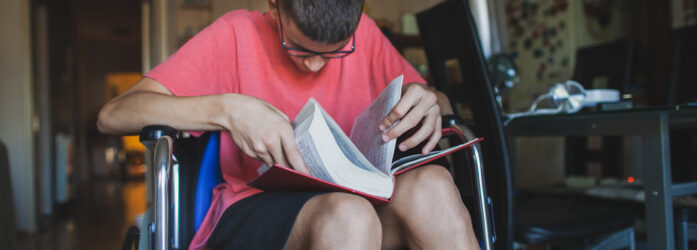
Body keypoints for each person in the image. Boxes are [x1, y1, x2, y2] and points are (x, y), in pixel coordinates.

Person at [97, 0, 479, 249]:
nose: (315, 64)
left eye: (335, 52)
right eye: (300, 48)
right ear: (275, 7)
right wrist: (227, 109)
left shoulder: (365, 34)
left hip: (362, 206)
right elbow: (115, 114)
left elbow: (436, 100)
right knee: (348, 216)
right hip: (258, 208)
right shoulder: (235, 34)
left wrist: (431, 99)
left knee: (432, 185)